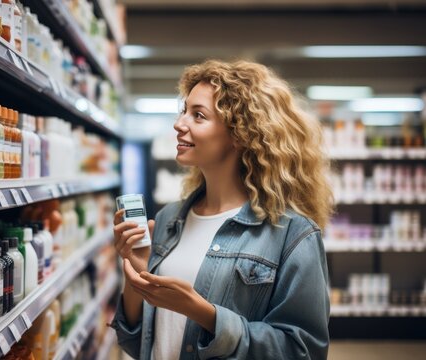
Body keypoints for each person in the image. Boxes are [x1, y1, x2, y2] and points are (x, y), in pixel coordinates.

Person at [110, 59, 333, 360]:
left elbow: (303, 350)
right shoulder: (167, 220)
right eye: (183, 111)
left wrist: (204, 313)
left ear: (240, 133)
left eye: (198, 116)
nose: (179, 124)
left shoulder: (292, 234)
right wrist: (137, 274)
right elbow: (139, 342)